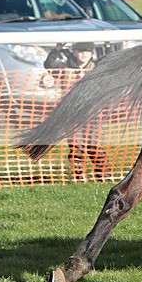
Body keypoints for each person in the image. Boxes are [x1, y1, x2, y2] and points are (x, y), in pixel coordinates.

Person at [44, 41, 109, 181]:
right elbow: (49, 65)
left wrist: (108, 46)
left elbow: (111, 62)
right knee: (75, 144)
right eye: (80, 51)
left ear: (92, 53)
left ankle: (103, 174)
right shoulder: (65, 68)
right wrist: (56, 50)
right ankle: (79, 175)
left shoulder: (97, 67)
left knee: (94, 143)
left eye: (87, 51)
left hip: (93, 112)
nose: (83, 54)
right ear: (74, 52)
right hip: (71, 113)